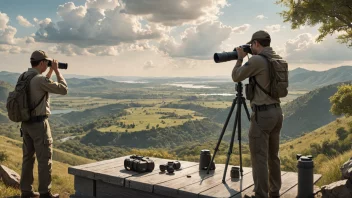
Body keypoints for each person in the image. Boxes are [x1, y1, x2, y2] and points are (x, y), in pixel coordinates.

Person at [232, 30, 286, 198]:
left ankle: (260, 195)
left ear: (256, 43)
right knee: (273, 156)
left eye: (252, 45)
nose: (251, 48)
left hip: (262, 115)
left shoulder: (257, 60)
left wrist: (240, 57)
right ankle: (274, 192)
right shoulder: (278, 59)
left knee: (259, 157)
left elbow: (236, 76)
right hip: (277, 112)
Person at [20, 50, 68, 198]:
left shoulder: (25, 76)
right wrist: (57, 71)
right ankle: (45, 193)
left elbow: (40, 88)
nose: (47, 66)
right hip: (39, 125)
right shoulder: (39, 79)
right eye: (46, 64)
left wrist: (50, 72)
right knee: (44, 159)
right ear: (41, 63)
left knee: (28, 158)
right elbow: (63, 89)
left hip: (26, 123)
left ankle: (26, 192)